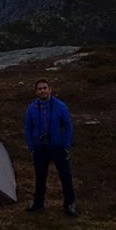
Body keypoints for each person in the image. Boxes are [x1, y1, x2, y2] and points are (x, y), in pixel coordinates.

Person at [24, 78, 76, 216]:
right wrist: (31, 148)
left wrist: (66, 145)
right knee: (40, 177)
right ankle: (38, 203)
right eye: (40, 89)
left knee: (65, 176)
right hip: (40, 149)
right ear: (36, 92)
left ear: (50, 89)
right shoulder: (31, 108)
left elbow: (68, 126)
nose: (42, 91)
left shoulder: (60, 106)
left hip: (58, 147)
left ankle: (69, 204)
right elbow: (28, 129)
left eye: (45, 88)